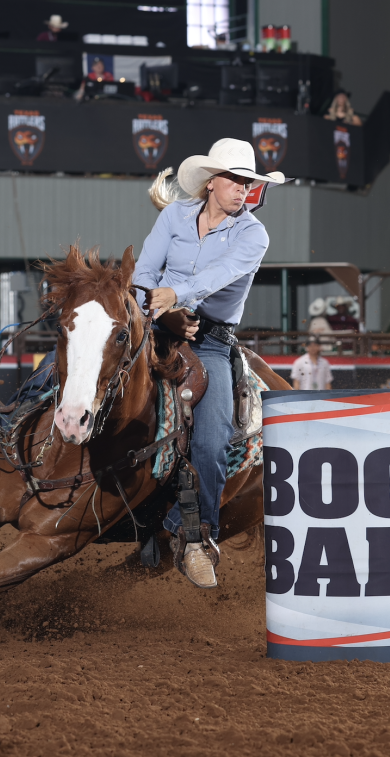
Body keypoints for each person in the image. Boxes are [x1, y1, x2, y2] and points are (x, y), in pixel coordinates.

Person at [134, 138, 285, 589]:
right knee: (84, 358)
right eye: (235, 180)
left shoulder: (253, 234)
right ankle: (18, 423)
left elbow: (219, 277)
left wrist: (175, 296)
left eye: (248, 182)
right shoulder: (174, 216)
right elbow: (144, 272)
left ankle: (197, 538)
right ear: (211, 182)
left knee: (213, 437)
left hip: (211, 342)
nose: (243, 189)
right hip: (154, 325)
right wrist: (160, 308)